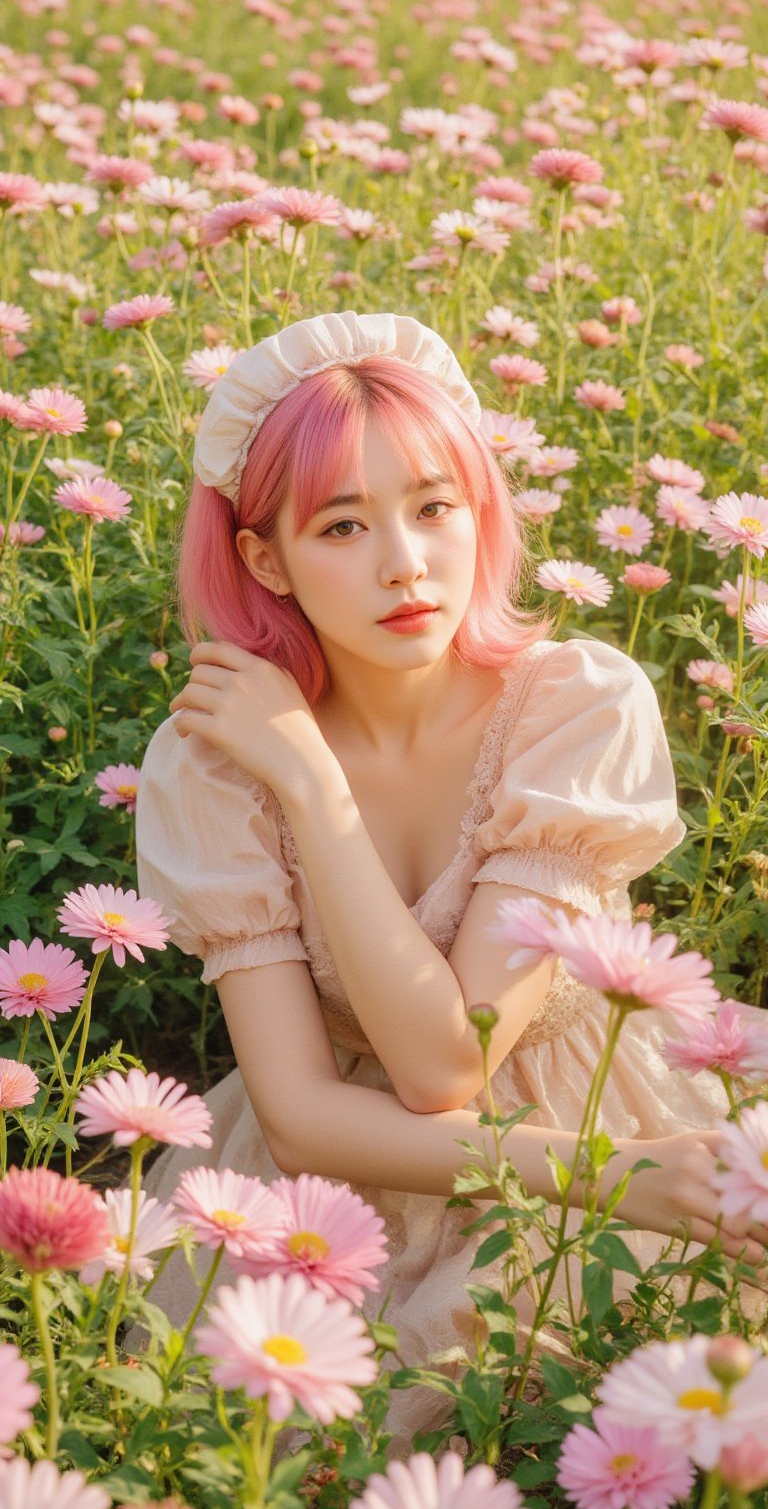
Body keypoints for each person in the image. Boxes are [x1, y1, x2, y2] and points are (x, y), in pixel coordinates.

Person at [132, 310, 765, 1442]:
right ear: (264, 558)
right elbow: (314, 1114)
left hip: (600, 1123)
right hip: (348, 1179)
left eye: (435, 507)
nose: (405, 563)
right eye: (342, 524)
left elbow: (449, 1058)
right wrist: (308, 778)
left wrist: (620, 1182)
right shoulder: (220, 764)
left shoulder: (575, 705)